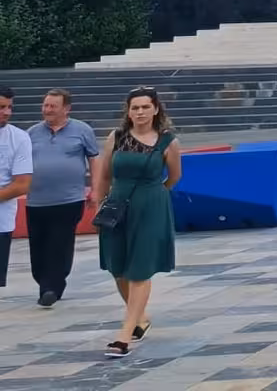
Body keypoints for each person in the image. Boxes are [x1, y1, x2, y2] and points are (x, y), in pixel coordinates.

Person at [92, 87, 181, 358]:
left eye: (145, 107)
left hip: (151, 207)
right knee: (117, 267)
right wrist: (99, 204)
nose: (140, 112)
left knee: (139, 269)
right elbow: (104, 175)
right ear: (128, 111)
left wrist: (155, 194)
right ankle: (140, 318)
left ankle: (124, 336)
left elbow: (174, 176)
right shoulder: (116, 137)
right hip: (117, 205)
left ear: (156, 109)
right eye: (135, 107)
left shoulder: (168, 141)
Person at [26, 88, 99, 307]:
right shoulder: (31, 133)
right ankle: (44, 282)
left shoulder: (82, 130)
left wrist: (95, 190)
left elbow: (94, 160)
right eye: (45, 105)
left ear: (66, 108)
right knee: (38, 246)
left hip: (69, 200)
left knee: (60, 244)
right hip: (36, 201)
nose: (47, 110)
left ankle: (51, 288)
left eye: (53, 106)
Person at [0, 87, 33, 296]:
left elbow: (22, 184)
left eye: (9, 107)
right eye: (1, 107)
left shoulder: (19, 138)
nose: (6, 112)